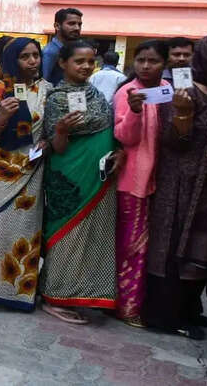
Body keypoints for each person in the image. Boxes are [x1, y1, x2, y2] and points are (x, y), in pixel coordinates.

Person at [143, 32, 207, 340]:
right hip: (179, 181)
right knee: (172, 245)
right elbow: (172, 141)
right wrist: (183, 114)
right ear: (204, 56)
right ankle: (164, 316)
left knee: (200, 246)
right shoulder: (183, 88)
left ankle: (188, 309)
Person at [40, 40, 122, 325]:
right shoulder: (56, 98)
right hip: (71, 176)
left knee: (95, 235)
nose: (86, 67)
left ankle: (84, 292)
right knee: (67, 234)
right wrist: (61, 129)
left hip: (100, 176)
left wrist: (118, 153)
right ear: (63, 63)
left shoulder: (96, 93)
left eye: (90, 61)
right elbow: (57, 146)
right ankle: (55, 294)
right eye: (79, 61)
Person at [0, 37, 50, 311]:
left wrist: (47, 142)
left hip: (31, 171)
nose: (32, 61)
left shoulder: (48, 91)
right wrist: (3, 116)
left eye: (35, 55)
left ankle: (19, 293)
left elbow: (50, 130)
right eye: (25, 56)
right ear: (11, 60)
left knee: (25, 230)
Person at [111, 40, 168, 327]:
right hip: (132, 181)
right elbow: (125, 137)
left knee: (149, 246)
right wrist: (134, 112)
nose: (146, 66)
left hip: (160, 180)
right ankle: (126, 305)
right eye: (141, 60)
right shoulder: (127, 92)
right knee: (132, 246)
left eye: (153, 61)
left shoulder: (166, 92)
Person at [41, 8, 82, 85]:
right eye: (71, 24)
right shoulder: (51, 52)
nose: (77, 28)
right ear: (57, 26)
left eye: (79, 24)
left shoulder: (70, 50)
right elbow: (43, 83)